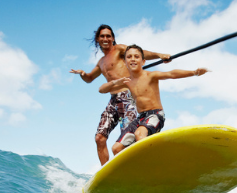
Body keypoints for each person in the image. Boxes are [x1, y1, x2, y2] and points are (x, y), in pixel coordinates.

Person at [70, 25, 171, 165]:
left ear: (112, 38)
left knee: (128, 140)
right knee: (99, 138)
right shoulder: (101, 62)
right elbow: (89, 78)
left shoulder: (119, 50)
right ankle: (107, 173)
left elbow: (141, 53)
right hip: (113, 100)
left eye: (108, 36)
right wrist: (82, 74)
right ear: (97, 39)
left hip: (128, 97)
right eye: (102, 36)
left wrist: (159, 55)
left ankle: (143, 165)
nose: (105, 38)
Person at [97, 44, 208, 156]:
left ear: (143, 61)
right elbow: (101, 90)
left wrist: (194, 72)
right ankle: (133, 170)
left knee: (139, 134)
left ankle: (151, 163)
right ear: (125, 62)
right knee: (116, 148)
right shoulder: (126, 81)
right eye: (129, 57)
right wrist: (116, 82)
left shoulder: (150, 76)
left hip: (155, 115)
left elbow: (171, 74)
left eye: (136, 56)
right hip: (140, 118)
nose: (133, 59)